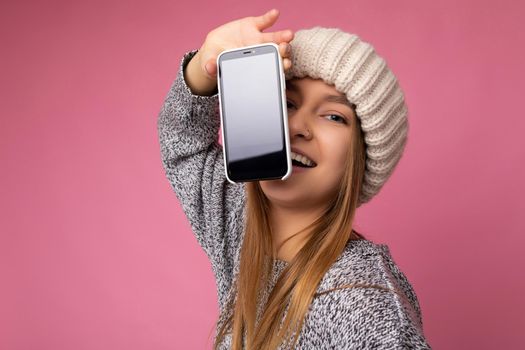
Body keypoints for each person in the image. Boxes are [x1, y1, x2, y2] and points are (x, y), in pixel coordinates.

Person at [157, 8, 431, 350]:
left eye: (333, 116)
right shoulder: (238, 228)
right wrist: (205, 65)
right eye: (286, 103)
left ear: (361, 160)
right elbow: (182, 142)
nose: (297, 127)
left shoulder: (360, 296)